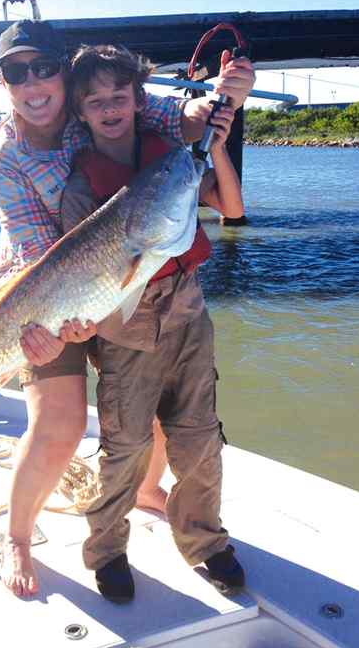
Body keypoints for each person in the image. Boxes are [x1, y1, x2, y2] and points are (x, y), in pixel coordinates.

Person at [0, 20, 255, 598]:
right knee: (59, 425)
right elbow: (41, 258)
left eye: (43, 68)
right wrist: (56, 328)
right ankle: (18, 536)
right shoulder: (6, 156)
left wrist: (226, 97)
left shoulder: (104, 97)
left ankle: (154, 497)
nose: (32, 83)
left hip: (124, 283)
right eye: (16, 72)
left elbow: (184, 119)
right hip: (43, 293)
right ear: (3, 83)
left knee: (161, 413)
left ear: (63, 75)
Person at [60, 44, 246, 602]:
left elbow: (232, 209)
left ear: (138, 100)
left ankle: (205, 542)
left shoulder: (170, 157)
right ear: (80, 112)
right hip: (125, 332)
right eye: (95, 101)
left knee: (199, 439)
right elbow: (82, 279)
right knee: (125, 447)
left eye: (119, 96)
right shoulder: (80, 188)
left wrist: (218, 143)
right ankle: (106, 551)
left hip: (189, 315)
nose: (110, 108)